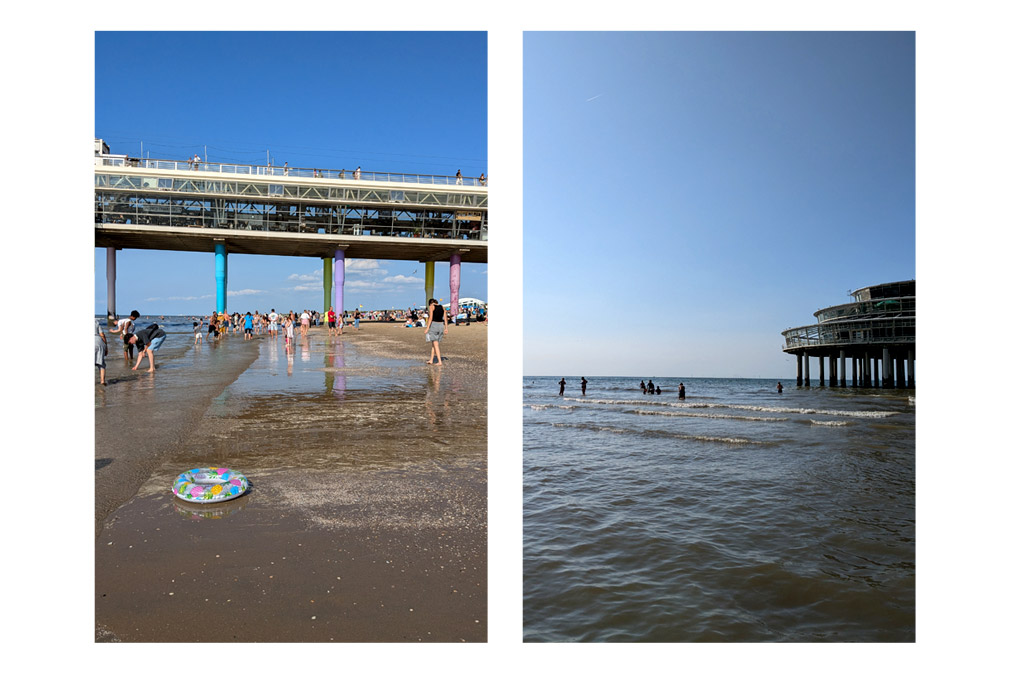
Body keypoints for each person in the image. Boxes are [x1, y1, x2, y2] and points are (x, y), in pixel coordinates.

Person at [423, 297, 447, 365]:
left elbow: (430, 318)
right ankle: (431, 360)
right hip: (441, 325)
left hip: (434, 325)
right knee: (434, 344)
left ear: (430, 303)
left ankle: (439, 361)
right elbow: (445, 318)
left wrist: (427, 328)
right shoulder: (442, 307)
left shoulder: (431, 307)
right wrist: (446, 328)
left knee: (435, 345)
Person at [95, 319, 108, 386]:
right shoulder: (95, 321)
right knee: (101, 363)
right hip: (99, 341)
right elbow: (102, 334)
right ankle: (102, 381)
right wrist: (106, 347)